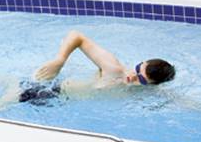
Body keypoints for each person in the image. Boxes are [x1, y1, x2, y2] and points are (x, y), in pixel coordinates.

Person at [20, 30, 176, 103]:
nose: (133, 76)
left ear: (150, 85)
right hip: (46, 89)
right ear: (141, 62)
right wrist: (60, 60)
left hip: (61, 103)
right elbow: (76, 36)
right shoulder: (113, 68)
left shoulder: (148, 91)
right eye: (137, 69)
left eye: (141, 79)